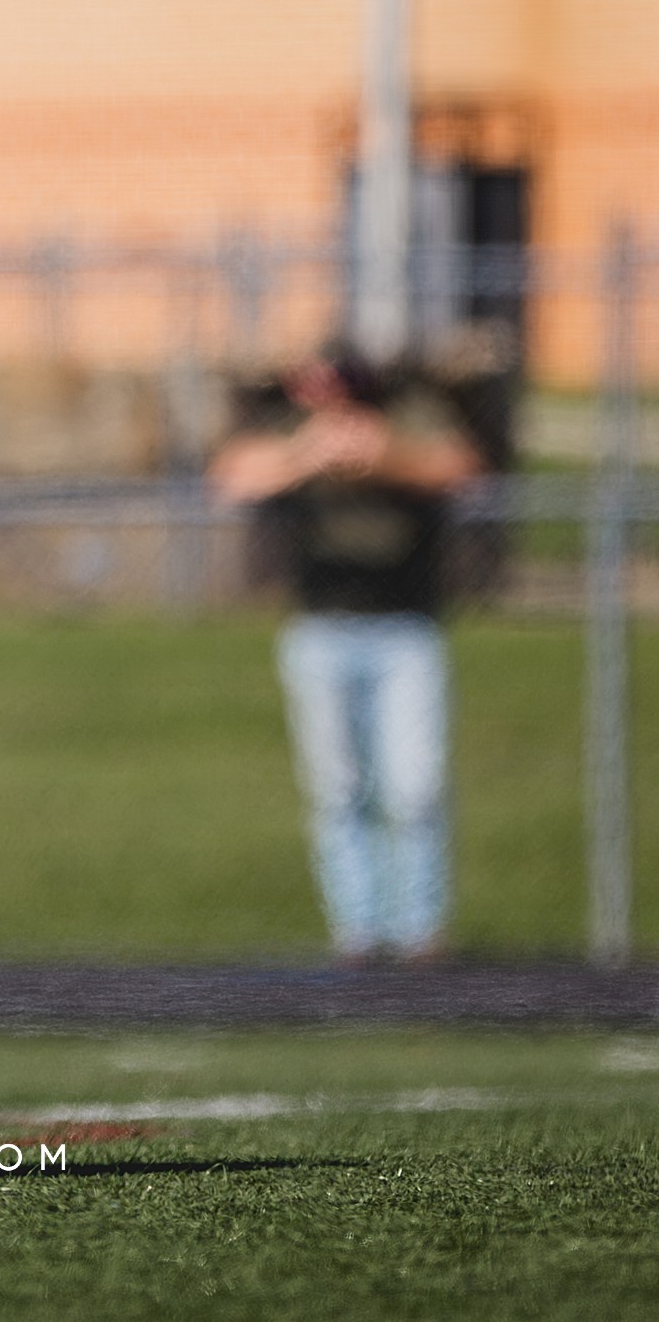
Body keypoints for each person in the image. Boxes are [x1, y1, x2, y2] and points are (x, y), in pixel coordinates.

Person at [209, 343, 484, 963]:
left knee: (414, 787)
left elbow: (459, 467)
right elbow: (230, 477)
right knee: (339, 789)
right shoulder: (289, 421)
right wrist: (310, 453)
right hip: (321, 627)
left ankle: (420, 933)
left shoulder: (406, 410)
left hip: (405, 627)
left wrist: (384, 456)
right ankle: (357, 933)